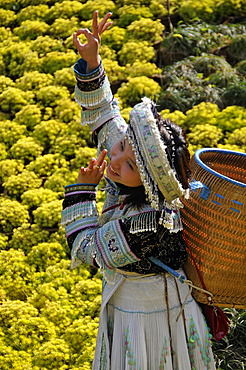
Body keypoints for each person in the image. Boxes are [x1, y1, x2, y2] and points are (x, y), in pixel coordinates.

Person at [62, 11, 216, 370]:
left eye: (129, 163)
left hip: (152, 319)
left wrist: (83, 192)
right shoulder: (132, 156)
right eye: (121, 148)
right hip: (130, 304)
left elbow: (88, 251)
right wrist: (92, 63)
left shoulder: (151, 223)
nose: (115, 160)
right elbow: (103, 112)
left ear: (148, 181)